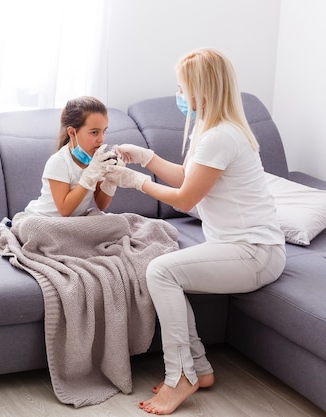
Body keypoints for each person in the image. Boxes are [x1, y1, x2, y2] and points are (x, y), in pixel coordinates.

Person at [106, 48, 287, 414]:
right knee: (164, 269)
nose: (178, 95)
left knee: (161, 270)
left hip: (255, 252)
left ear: (204, 90)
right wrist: (146, 157)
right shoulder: (210, 128)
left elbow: (185, 199)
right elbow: (189, 177)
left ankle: (181, 376)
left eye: (182, 88)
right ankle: (200, 369)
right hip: (236, 247)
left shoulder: (222, 135)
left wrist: (136, 181)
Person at [24, 96, 121, 217]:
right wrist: (90, 174)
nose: (101, 139)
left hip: (73, 223)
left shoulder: (95, 160)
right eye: (94, 132)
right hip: (45, 220)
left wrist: (111, 180)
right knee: (33, 227)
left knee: (117, 221)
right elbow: (65, 210)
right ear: (71, 132)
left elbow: (101, 205)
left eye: (104, 131)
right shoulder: (59, 162)